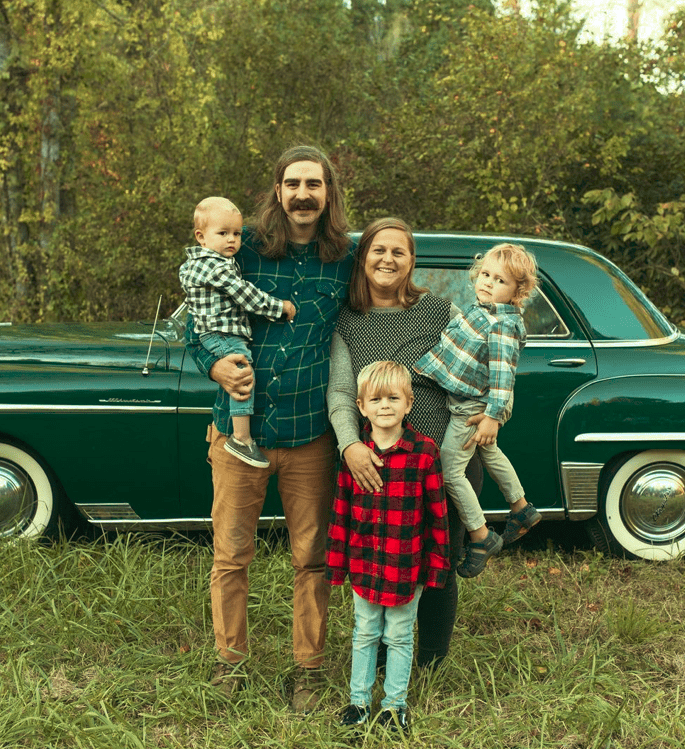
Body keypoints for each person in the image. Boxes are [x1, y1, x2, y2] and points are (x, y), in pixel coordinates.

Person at [184, 146, 354, 712]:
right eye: (292, 184)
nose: (303, 194)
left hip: (310, 435)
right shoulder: (241, 249)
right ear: (277, 192)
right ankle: (229, 664)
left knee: (313, 558)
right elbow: (197, 319)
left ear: (328, 192)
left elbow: (383, 307)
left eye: (314, 184)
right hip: (239, 434)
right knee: (232, 555)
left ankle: (307, 669)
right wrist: (214, 364)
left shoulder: (344, 258)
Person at [326, 216, 484, 671]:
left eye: (399, 251)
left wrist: (484, 406)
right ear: (363, 258)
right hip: (373, 463)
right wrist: (349, 446)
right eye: (378, 250)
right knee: (378, 558)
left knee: (440, 558)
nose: (388, 259)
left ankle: (431, 660)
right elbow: (339, 391)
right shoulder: (349, 322)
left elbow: (484, 357)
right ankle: (376, 658)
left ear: (412, 260)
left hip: (441, 460)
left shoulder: (440, 312)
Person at [327, 361, 450, 733]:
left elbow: (437, 516)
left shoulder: (424, 452)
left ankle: (395, 706)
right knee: (364, 632)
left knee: (399, 634)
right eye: (376, 399)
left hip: (405, 565)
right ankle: (358, 703)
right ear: (361, 407)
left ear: (408, 404)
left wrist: (436, 568)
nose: (385, 406)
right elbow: (341, 512)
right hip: (365, 564)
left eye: (393, 398)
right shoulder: (355, 455)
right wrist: (336, 566)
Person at [414, 243, 542, 577]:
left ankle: (481, 535)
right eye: (485, 274)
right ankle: (521, 507)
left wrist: (492, 416)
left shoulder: (502, 325)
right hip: (469, 402)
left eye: (500, 280)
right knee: (489, 453)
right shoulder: (483, 310)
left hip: (471, 408)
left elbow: (503, 376)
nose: (487, 282)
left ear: (517, 291)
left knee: (449, 469)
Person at [179, 196, 296, 468]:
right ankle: (241, 438)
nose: (232, 240)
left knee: (241, 371)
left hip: (215, 331)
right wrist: (280, 308)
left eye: (237, 234)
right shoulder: (216, 266)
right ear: (201, 236)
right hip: (222, 334)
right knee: (242, 373)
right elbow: (247, 296)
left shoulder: (200, 263)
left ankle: (241, 436)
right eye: (223, 233)